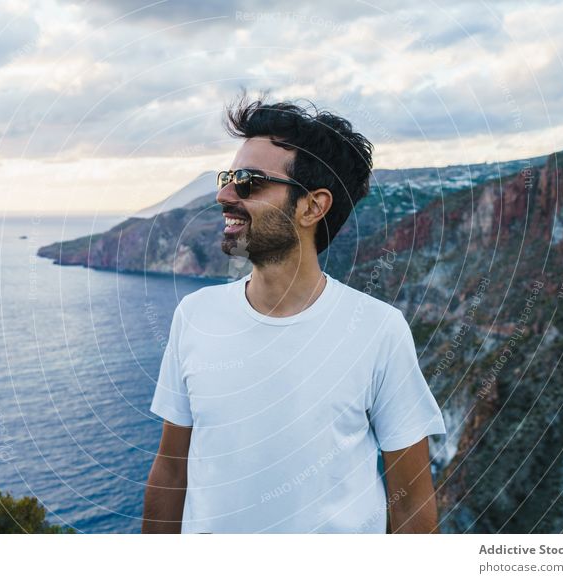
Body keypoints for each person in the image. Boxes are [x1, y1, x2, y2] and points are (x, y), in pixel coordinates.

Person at [141, 92, 446, 534]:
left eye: (247, 181)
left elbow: (413, 505)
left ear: (312, 206)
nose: (224, 193)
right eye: (226, 176)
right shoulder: (195, 315)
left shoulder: (378, 331)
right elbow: (170, 475)